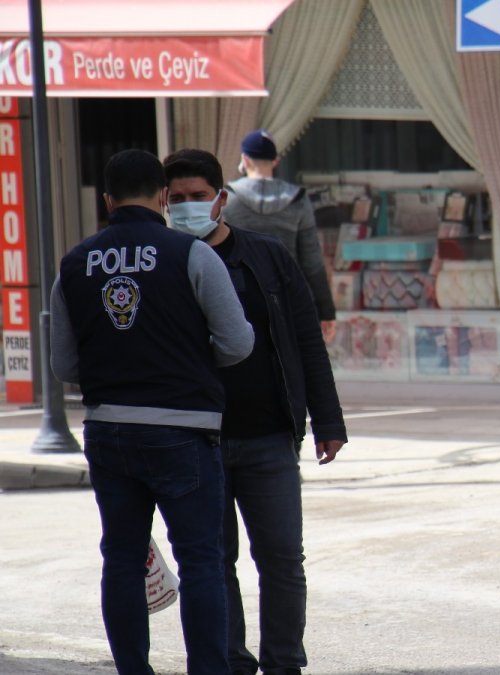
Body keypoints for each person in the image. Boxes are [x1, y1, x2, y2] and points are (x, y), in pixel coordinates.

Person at [50, 148, 254, 675]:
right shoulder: (192, 255)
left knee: (121, 558)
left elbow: (64, 363)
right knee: (201, 560)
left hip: (110, 432)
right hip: (183, 432)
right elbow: (237, 343)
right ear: (163, 197)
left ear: (107, 199)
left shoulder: (76, 264)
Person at [164, 148, 348, 675]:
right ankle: (232, 663)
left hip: (269, 435)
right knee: (212, 564)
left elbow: (307, 342)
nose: (188, 207)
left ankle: (284, 664)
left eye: (198, 197)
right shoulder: (168, 261)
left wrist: (327, 421)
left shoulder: (267, 257)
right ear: (163, 203)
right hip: (200, 441)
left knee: (283, 562)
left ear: (222, 198)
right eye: (177, 200)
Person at [222, 129, 337, 342]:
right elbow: (312, 263)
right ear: (276, 161)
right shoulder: (298, 200)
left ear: (245, 160)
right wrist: (326, 311)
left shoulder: (227, 199)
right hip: (288, 301)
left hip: (239, 301)